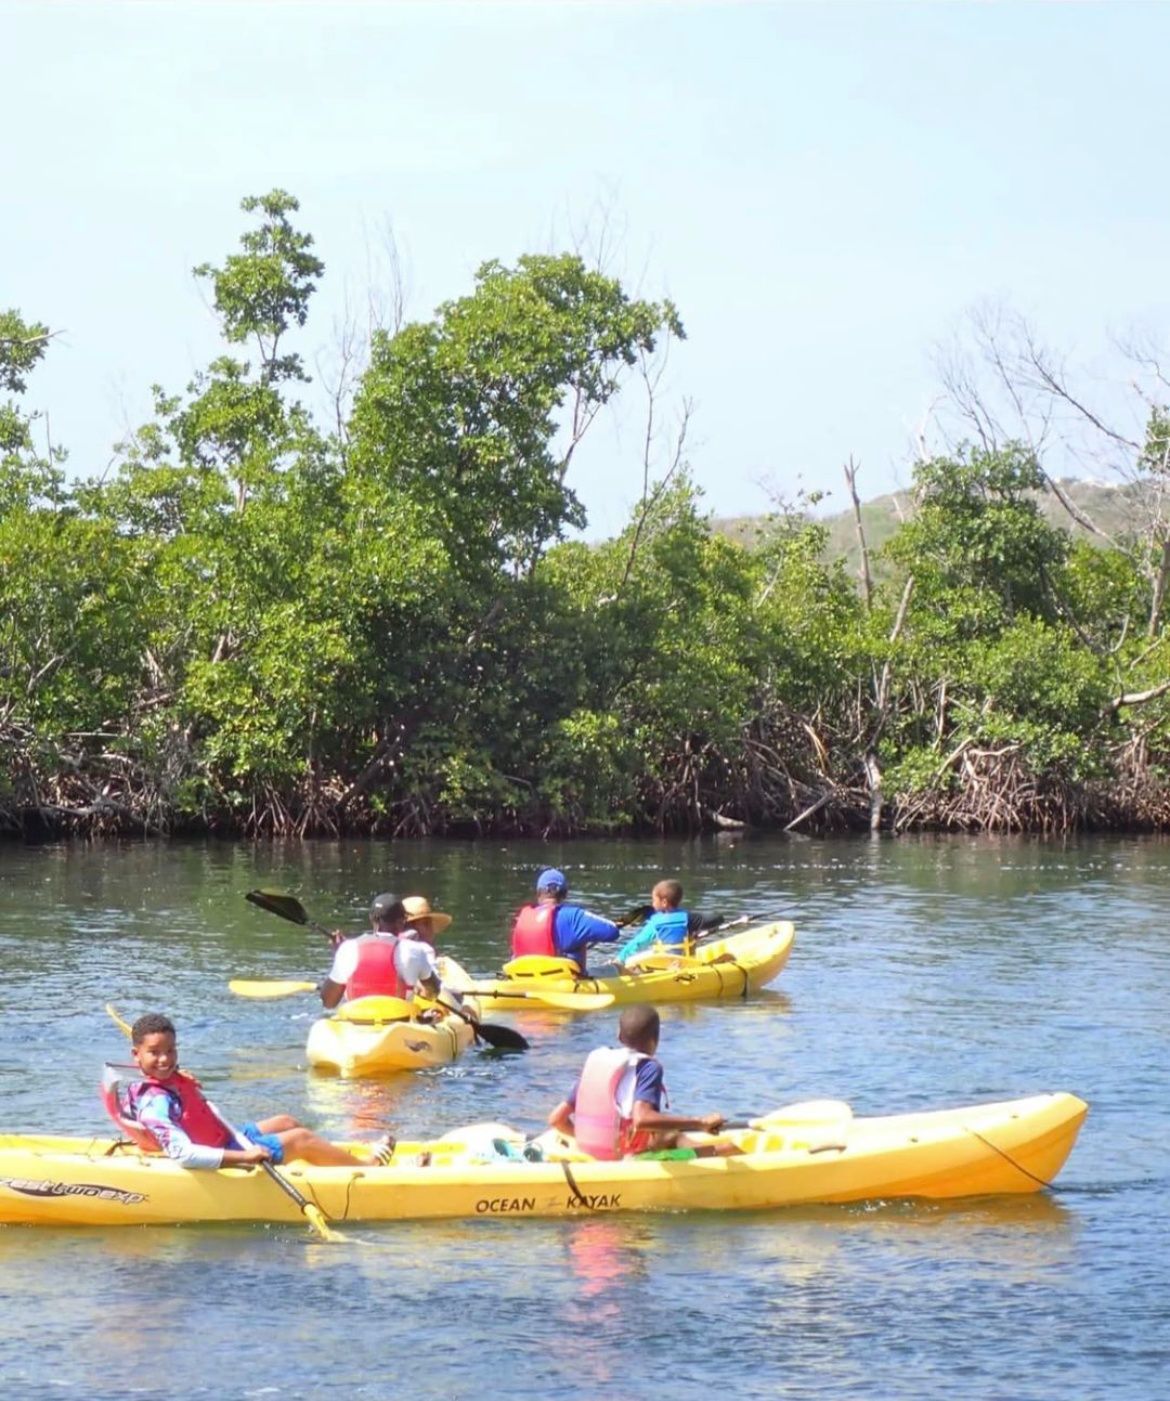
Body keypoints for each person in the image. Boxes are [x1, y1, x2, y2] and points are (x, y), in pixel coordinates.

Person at [106, 1013, 392, 1168]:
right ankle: (365, 1166)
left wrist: (175, 1075)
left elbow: (161, 1076)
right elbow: (183, 1155)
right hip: (220, 1155)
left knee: (285, 1122)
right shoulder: (155, 1103)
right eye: (154, 1053)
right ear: (136, 1055)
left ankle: (328, 1161)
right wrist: (245, 1157)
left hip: (226, 1137)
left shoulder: (162, 1078)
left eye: (170, 1051)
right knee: (301, 1137)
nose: (165, 1059)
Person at [547, 1005, 742, 1160]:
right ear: (655, 1039)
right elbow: (642, 1119)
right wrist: (700, 1122)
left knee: (669, 1134)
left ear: (619, 1036)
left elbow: (557, 1119)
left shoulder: (599, 1062)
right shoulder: (648, 1067)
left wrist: (592, 1142)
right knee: (711, 1145)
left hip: (589, 1150)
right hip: (625, 1157)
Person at [321, 891, 460, 1010]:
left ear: (371, 919)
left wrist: (340, 957)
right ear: (401, 922)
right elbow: (433, 992)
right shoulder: (416, 950)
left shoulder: (347, 949)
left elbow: (328, 1002)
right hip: (397, 1025)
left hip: (357, 1024)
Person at [510, 868, 621, 973]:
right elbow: (612, 932)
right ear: (565, 894)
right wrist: (585, 936)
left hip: (525, 981)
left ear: (538, 893)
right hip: (567, 984)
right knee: (618, 967)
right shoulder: (574, 917)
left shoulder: (522, 919)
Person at [615, 879, 691, 966]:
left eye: (654, 900)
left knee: (630, 962)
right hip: (684, 959)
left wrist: (620, 958)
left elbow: (639, 942)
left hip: (663, 961)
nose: (653, 904)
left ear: (664, 902)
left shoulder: (657, 921)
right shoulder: (688, 916)